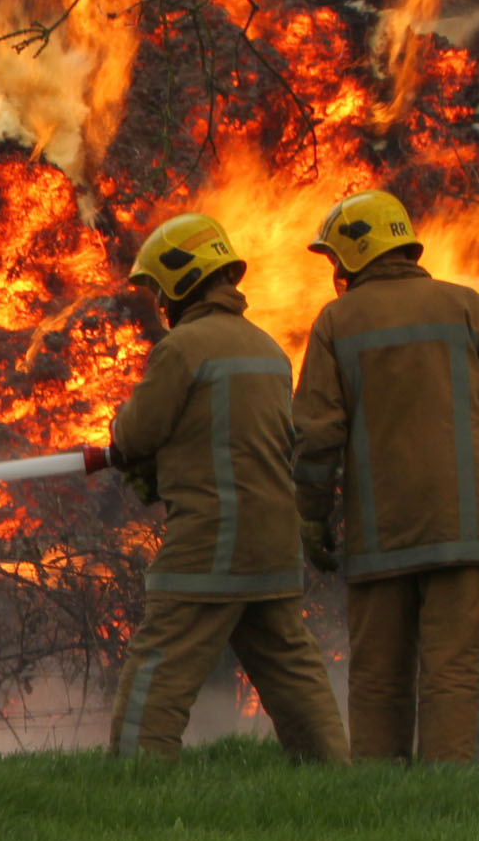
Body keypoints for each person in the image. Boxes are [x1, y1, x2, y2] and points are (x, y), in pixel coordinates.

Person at [293, 189, 479, 763]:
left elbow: (317, 435)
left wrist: (310, 516)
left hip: (381, 536)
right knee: (452, 673)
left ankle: (380, 791)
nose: (334, 272)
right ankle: (447, 797)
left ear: (356, 253)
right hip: (466, 528)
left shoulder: (336, 322)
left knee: (379, 676)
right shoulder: (468, 307)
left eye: (335, 259)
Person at [101, 213, 350, 763]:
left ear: (179, 282)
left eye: (159, 291)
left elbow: (137, 432)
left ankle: (133, 781)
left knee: (158, 666)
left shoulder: (183, 349)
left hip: (210, 543)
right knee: (293, 672)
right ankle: (336, 775)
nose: (160, 304)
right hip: (273, 544)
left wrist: (121, 441)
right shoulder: (267, 350)